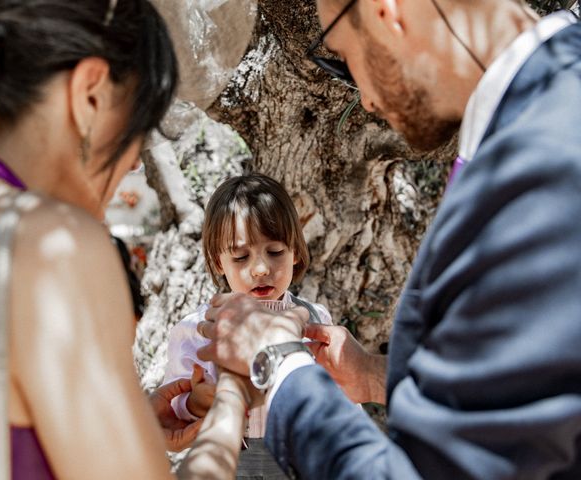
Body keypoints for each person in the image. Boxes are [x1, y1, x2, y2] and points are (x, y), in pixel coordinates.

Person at [196, 0, 581, 478]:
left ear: (386, 11)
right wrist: (375, 377)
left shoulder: (540, 171)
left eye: (339, 56)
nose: (364, 100)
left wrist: (276, 362)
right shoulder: (558, 111)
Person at [0, 0, 251, 478]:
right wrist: (232, 403)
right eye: (138, 129)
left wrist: (124, 424)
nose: (132, 165)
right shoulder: (47, 245)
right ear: (90, 94)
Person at [163, 173, 332, 479]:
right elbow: (174, 408)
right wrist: (194, 403)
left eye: (276, 252)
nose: (261, 269)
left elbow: (340, 394)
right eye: (241, 257)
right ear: (219, 263)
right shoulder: (196, 329)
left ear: (294, 252)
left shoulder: (315, 319)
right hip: (230, 462)